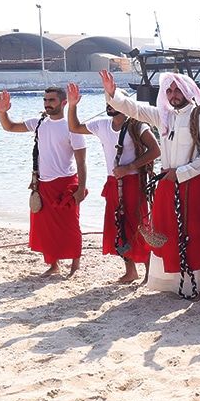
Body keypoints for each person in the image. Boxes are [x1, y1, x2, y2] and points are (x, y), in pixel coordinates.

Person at [101, 70, 200, 299]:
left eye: (177, 90)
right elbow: (134, 109)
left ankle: (197, 285)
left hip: (192, 183)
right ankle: (172, 282)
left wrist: (182, 172)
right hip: (167, 182)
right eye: (169, 91)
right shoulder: (163, 116)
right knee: (168, 232)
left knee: (194, 233)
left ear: (187, 91)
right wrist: (112, 93)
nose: (173, 95)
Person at [66, 83, 161, 284]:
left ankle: (148, 272)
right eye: (107, 102)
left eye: (113, 101)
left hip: (134, 182)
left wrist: (130, 167)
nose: (109, 105)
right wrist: (72, 105)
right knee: (119, 226)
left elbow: (155, 150)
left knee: (139, 224)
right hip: (113, 182)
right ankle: (130, 271)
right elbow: (74, 127)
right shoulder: (101, 125)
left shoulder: (139, 125)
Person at [0, 86, 88, 277]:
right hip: (43, 184)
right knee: (45, 228)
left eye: (51, 100)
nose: (47, 104)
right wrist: (2, 112)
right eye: (45, 100)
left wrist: (81, 188)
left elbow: (81, 161)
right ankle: (53, 265)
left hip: (66, 183)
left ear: (64, 103)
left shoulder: (73, 127)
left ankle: (75, 265)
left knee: (71, 225)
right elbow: (10, 126)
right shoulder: (39, 123)